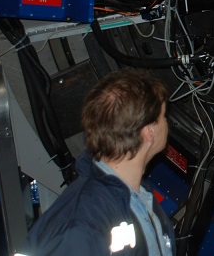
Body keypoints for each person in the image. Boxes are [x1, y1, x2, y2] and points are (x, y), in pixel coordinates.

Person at [26, 68, 176, 256]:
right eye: (163, 117)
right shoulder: (83, 221)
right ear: (148, 133)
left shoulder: (136, 198)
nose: (166, 123)